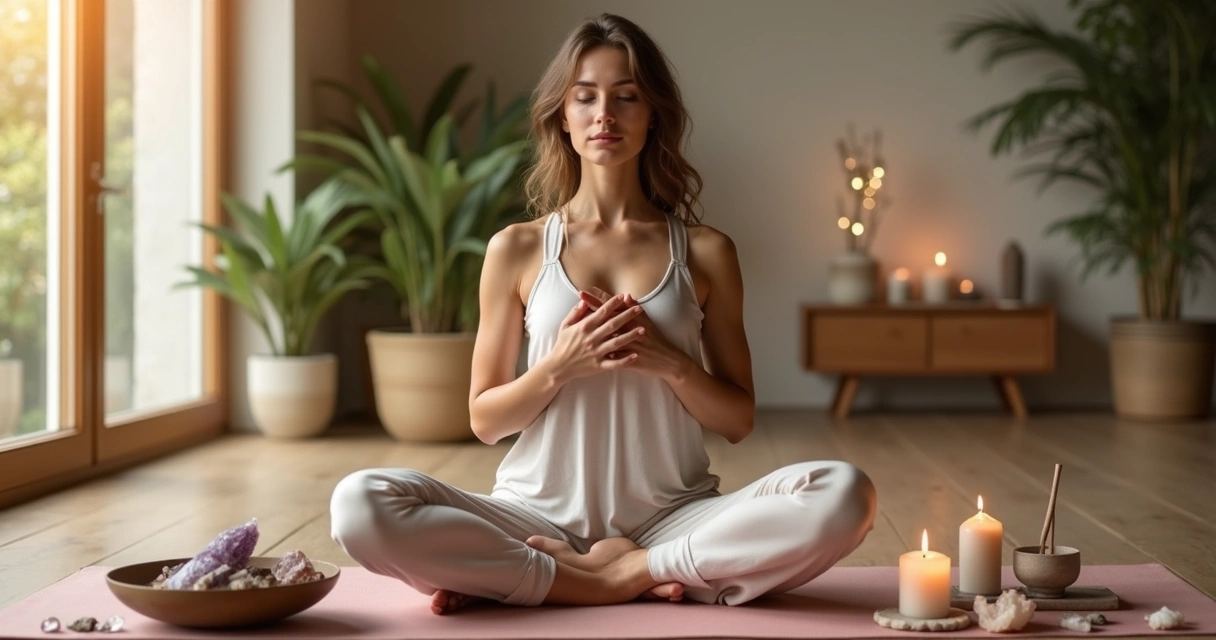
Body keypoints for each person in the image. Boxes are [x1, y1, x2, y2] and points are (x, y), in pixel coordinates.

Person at [330, 12, 877, 615]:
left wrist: (671, 364)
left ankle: (597, 571)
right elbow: (485, 420)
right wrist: (558, 367)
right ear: (562, 117)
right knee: (360, 502)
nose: (605, 116)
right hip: (530, 515)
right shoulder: (516, 248)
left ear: (654, 114)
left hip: (676, 517)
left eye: (627, 97)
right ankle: (614, 577)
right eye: (585, 96)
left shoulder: (706, 252)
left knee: (844, 494)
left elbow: (738, 420)